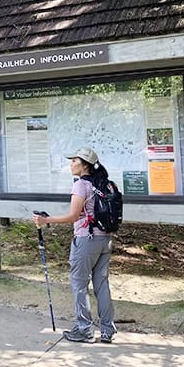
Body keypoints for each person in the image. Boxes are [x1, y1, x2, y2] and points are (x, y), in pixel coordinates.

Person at [32, 147, 116, 344]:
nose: (71, 165)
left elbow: (72, 216)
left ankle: (85, 329)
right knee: (102, 285)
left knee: (79, 285)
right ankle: (107, 330)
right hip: (105, 239)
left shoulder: (81, 186)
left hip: (86, 240)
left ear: (84, 165)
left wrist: (46, 220)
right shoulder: (103, 184)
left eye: (74, 161)